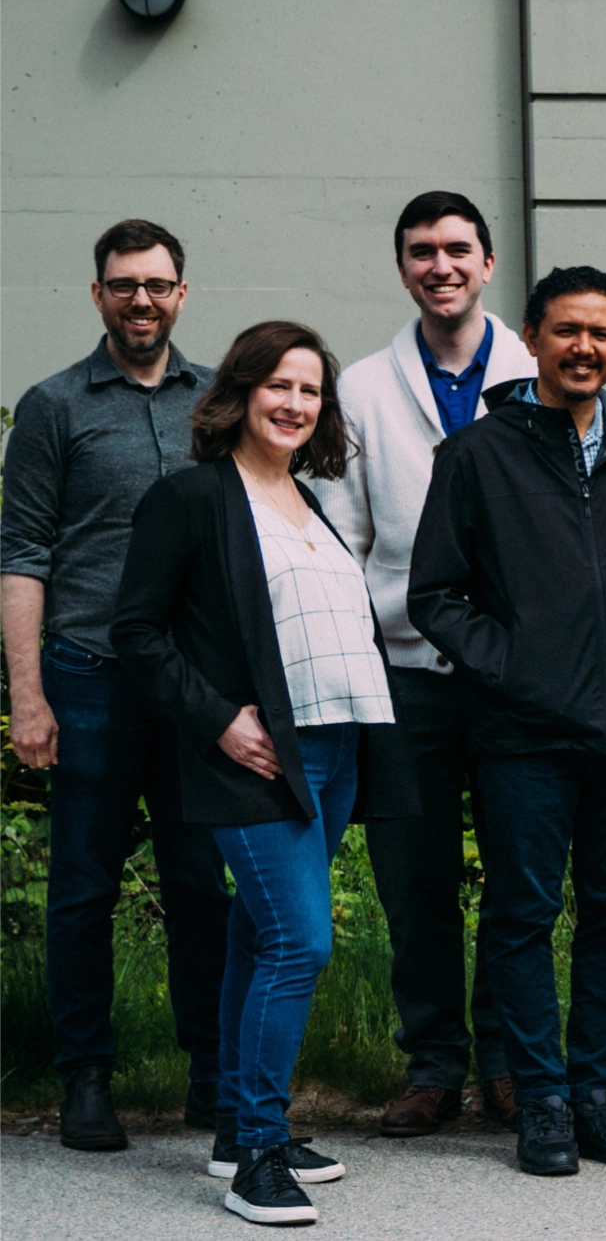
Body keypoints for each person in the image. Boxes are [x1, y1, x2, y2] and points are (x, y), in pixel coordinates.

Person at [114, 321, 420, 1225]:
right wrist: (216, 720)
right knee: (300, 941)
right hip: (255, 755)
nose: (295, 404)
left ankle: (239, 1129)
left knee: (260, 934)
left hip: (332, 747)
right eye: (278, 386)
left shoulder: (307, 499)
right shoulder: (194, 498)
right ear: (240, 393)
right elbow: (135, 630)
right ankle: (255, 1148)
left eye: (311, 391)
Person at [409, 266, 606, 1177]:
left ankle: (591, 1092)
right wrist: (516, 667)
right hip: (524, 735)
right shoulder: (477, 455)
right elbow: (436, 594)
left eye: (602, 334)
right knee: (524, 913)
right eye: (567, 331)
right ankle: (537, 1097)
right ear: (531, 338)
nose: (585, 348)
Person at [0, 219, 231, 1150]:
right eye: (123, 284)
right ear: (97, 294)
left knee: (201, 886)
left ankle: (213, 1075)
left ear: (183, 292)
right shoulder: (53, 406)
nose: (142, 299)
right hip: (88, 674)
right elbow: (22, 555)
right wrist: (28, 692)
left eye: (158, 284)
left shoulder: (220, 402)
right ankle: (86, 1078)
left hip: (194, 687)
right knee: (84, 887)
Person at [314, 192, 535, 1137]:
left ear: (488, 262)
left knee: (523, 876)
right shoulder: (361, 388)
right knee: (415, 878)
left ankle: (513, 1059)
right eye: (420, 253)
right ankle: (434, 1062)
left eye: (457, 250)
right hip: (404, 672)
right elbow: (340, 538)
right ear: (402, 267)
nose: (440, 266)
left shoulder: (536, 373)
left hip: (518, 675)